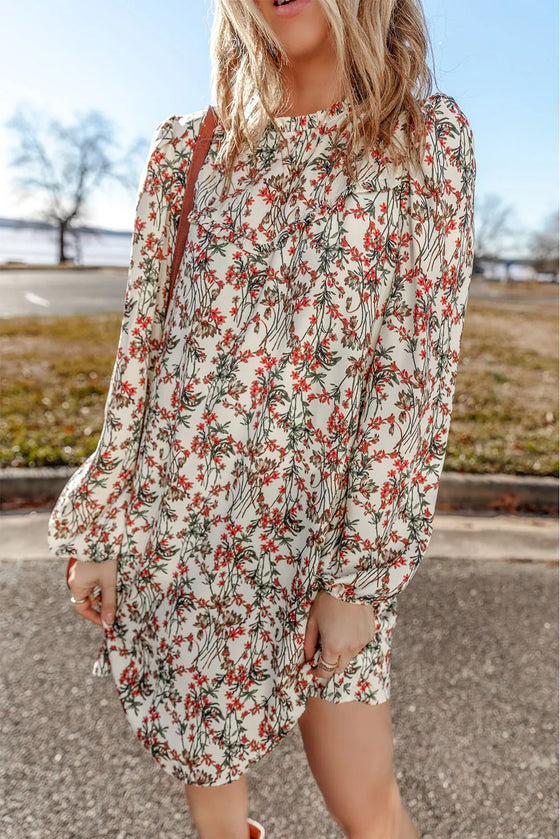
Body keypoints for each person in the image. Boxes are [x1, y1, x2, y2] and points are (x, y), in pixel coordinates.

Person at [48, 0, 476, 837]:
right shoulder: (190, 150)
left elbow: (413, 377)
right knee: (216, 807)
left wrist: (357, 578)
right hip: (186, 542)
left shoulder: (423, 141)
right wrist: (102, 523)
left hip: (316, 547)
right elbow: (145, 350)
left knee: (372, 811)